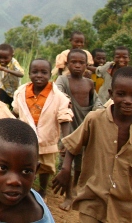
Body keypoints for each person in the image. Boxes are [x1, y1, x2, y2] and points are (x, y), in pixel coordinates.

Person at [53, 67, 132, 223]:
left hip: (125, 205)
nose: (127, 100)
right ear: (111, 94)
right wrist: (66, 170)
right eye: (121, 94)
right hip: (92, 200)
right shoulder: (95, 119)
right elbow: (73, 145)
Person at [12, 58, 73, 200]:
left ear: (50, 75)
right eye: (35, 72)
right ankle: (25, 190)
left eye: (43, 72)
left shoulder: (58, 96)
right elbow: (15, 111)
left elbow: (65, 116)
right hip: (24, 139)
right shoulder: (21, 92)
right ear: (29, 73)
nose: (39, 75)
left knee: (46, 167)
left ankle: (42, 191)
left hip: (47, 140)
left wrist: (65, 139)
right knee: (24, 165)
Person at [54, 49, 103, 211]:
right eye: (73, 62)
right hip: (68, 126)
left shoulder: (89, 83)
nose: (77, 65)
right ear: (67, 64)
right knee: (66, 163)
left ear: (87, 65)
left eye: (81, 63)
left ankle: (75, 187)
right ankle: (68, 195)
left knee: (80, 163)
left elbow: (96, 103)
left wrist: (98, 112)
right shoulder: (63, 80)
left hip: (84, 127)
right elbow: (58, 94)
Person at [0, 43, 24, 108]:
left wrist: (7, 70)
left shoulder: (14, 63)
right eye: (0, 57)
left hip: (15, 92)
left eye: (5, 58)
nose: (2, 60)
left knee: (15, 109)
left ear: (12, 55)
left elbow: (21, 74)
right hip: (4, 89)